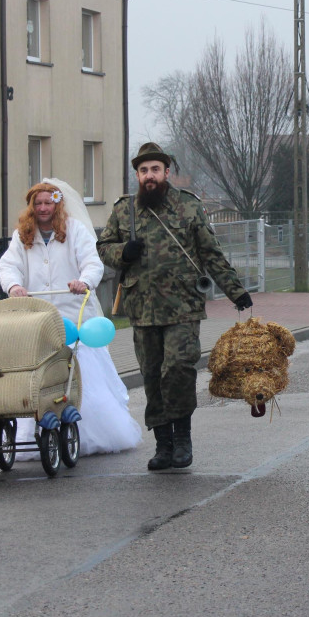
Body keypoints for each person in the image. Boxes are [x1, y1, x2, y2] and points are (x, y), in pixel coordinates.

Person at [97, 143, 252, 471]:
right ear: (137, 176)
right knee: (152, 374)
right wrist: (123, 252)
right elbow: (104, 247)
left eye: (155, 169)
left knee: (178, 368)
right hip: (143, 307)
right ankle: (163, 444)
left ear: (167, 173)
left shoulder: (188, 207)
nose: (149, 176)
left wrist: (235, 291)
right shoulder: (125, 211)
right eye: (143, 171)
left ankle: (183, 438)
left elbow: (211, 252)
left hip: (183, 305)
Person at [0, 180, 141, 458]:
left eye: (47, 203)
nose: (42, 208)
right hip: (37, 318)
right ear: (32, 207)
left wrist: (84, 281)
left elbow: (92, 261)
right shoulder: (22, 235)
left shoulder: (74, 231)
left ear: (57, 205)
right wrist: (14, 286)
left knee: (81, 374)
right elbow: (8, 265)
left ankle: (90, 432)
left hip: (74, 318)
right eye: (37, 203)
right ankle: (37, 431)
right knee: (39, 375)